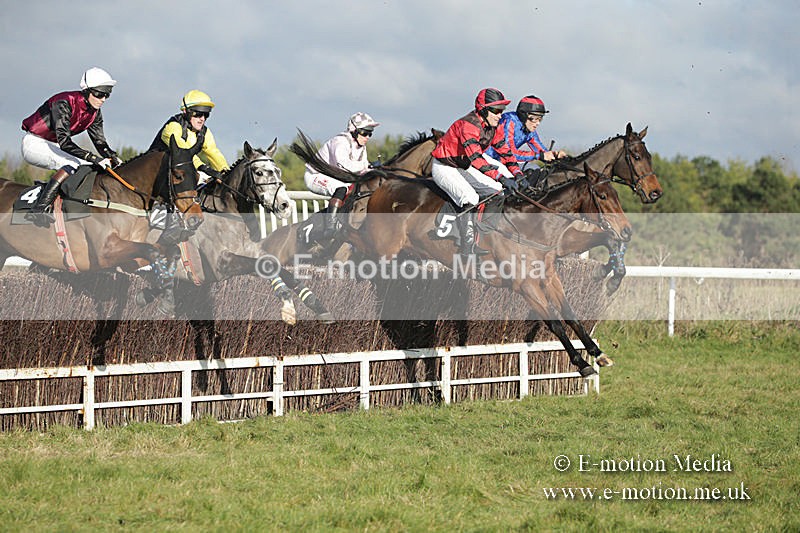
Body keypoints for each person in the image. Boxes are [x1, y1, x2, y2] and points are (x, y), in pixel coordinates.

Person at [21, 67, 122, 227]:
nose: (103, 99)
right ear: (87, 91)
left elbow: (100, 142)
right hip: (35, 143)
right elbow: (65, 143)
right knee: (73, 164)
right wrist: (94, 157)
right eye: (99, 94)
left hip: (54, 146)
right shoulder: (64, 102)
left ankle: (66, 204)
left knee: (87, 167)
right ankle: (39, 209)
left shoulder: (95, 113)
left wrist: (114, 157)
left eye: (107, 95)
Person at [430, 88, 526, 256]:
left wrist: (518, 174)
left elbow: (506, 152)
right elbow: (476, 159)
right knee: (471, 198)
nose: (500, 115)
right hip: (444, 167)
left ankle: (484, 235)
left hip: (462, 166)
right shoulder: (468, 126)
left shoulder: (492, 127)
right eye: (496, 110)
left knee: (498, 193)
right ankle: (466, 246)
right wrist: (500, 177)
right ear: (483, 109)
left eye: (501, 111)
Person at [304, 112, 380, 239]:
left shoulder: (361, 147)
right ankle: (331, 227)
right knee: (341, 189)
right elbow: (343, 165)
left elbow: (363, 168)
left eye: (370, 133)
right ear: (354, 131)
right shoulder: (340, 142)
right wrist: (369, 167)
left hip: (335, 177)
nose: (367, 137)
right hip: (315, 175)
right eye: (365, 133)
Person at [148, 89, 229, 186]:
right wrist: (203, 168)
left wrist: (225, 172)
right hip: (152, 175)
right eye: (198, 114)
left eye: (206, 115)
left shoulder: (204, 132)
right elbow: (184, 154)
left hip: (176, 175)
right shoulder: (172, 127)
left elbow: (214, 152)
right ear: (186, 111)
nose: (202, 119)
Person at [485, 94, 567, 191]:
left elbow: (542, 151)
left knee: (535, 168)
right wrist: (539, 156)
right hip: (489, 159)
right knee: (511, 177)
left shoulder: (529, 129)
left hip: (506, 162)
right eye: (535, 119)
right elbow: (509, 154)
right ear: (524, 115)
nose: (537, 123)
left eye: (540, 119)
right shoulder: (509, 121)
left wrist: (555, 155)